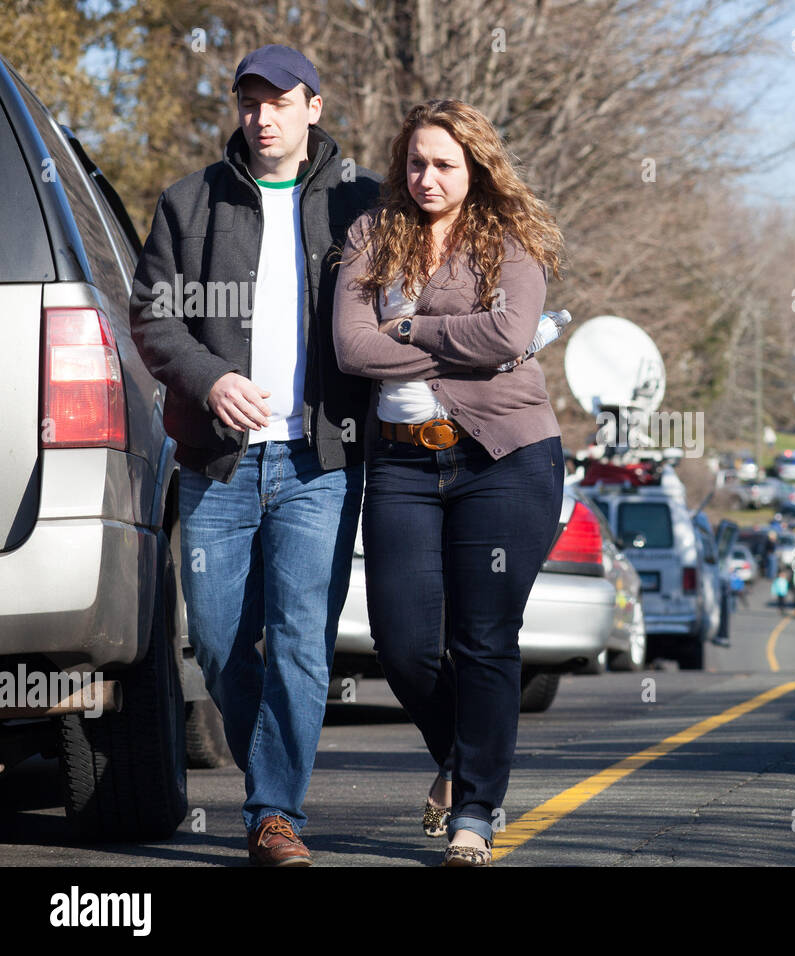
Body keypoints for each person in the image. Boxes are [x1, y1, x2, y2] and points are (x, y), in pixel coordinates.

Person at [129, 45, 379, 865]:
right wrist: (209, 380)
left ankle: (275, 814)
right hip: (218, 464)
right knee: (218, 643)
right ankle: (267, 774)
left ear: (314, 106)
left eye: (279, 101)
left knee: (301, 640)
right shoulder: (189, 202)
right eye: (249, 101)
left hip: (320, 461)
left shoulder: (363, 206)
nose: (262, 116)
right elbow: (155, 321)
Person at [333, 99, 565, 867]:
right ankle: (464, 758)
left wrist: (410, 329)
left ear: (475, 169)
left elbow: (506, 336)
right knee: (403, 647)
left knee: (486, 640)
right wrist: (453, 345)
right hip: (400, 462)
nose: (426, 177)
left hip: (504, 459)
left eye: (444, 165)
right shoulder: (372, 234)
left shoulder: (510, 238)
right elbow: (352, 350)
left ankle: (475, 811)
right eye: (416, 162)